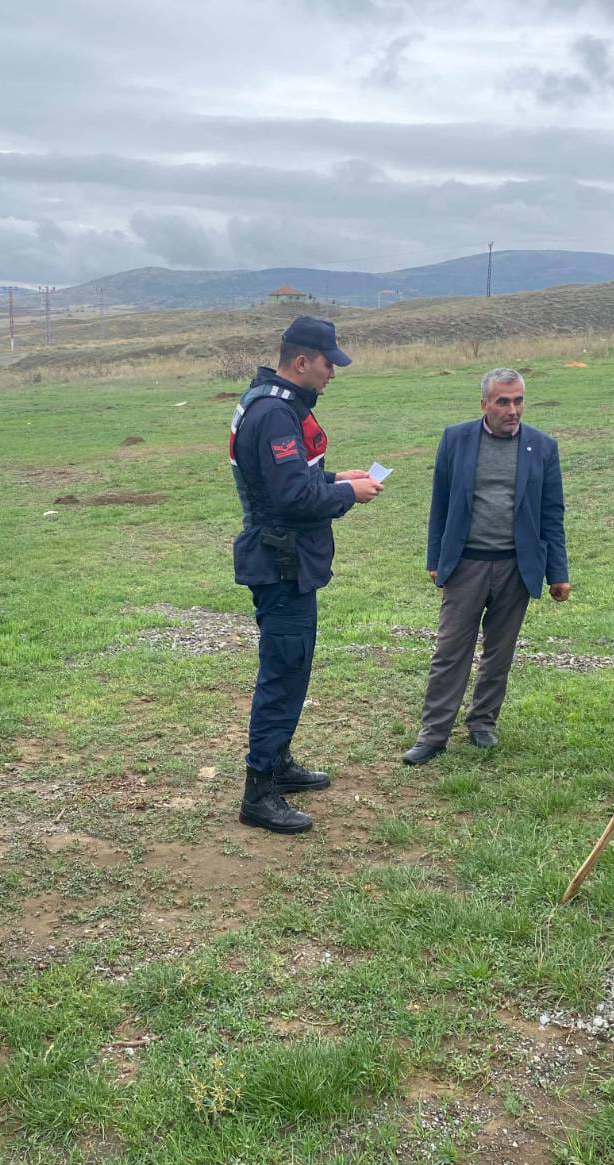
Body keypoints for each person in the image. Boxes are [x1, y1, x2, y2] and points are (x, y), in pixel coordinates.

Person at [228, 316, 383, 834]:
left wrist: (341, 477)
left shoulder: (272, 403)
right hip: (281, 563)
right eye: (327, 364)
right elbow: (292, 497)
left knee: (291, 670)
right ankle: (260, 791)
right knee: (283, 673)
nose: (332, 373)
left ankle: (280, 763)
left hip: (285, 558)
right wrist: (347, 495)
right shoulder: (275, 413)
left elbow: (296, 478)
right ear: (301, 362)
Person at [401, 368, 569, 765]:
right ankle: (434, 734)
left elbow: (552, 514)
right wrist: (435, 560)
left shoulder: (542, 447)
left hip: (516, 566)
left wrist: (558, 573)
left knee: (500, 652)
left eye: (518, 401)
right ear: (484, 405)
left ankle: (482, 723)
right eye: (503, 401)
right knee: (449, 651)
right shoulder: (456, 439)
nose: (512, 410)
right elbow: (440, 504)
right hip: (466, 564)